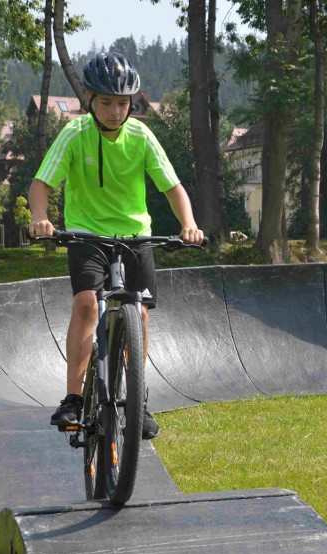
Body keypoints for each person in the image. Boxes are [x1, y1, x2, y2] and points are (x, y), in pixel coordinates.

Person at [27, 52, 204, 439]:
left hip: (136, 236)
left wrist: (188, 224)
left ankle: (137, 405)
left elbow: (173, 188)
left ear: (132, 103)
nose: (114, 110)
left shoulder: (142, 136)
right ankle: (74, 398)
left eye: (122, 103)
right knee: (87, 303)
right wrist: (40, 217)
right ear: (89, 99)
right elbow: (40, 186)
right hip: (86, 235)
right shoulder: (74, 134)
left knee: (138, 313)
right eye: (106, 102)